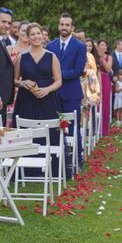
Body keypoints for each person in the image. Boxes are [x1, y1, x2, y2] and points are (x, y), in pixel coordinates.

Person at [47, 13, 86, 164]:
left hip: (71, 94)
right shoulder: (50, 46)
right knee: (54, 127)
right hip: (53, 93)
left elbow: (78, 71)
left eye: (67, 25)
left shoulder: (80, 46)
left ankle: (77, 160)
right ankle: (57, 161)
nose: (64, 27)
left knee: (73, 127)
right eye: (62, 24)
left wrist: (57, 75)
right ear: (58, 25)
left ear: (72, 27)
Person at [12, 23, 62, 122]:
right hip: (25, 100)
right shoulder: (21, 57)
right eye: (33, 34)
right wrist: (22, 83)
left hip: (48, 100)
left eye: (38, 33)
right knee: (25, 130)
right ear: (28, 37)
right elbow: (14, 80)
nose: (36, 37)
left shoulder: (52, 56)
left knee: (49, 130)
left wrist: (47, 90)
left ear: (43, 35)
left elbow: (59, 81)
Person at [6, 21, 30, 126]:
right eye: (23, 30)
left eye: (28, 31)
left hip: (27, 92)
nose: (25, 33)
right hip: (9, 92)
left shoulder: (34, 51)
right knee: (8, 124)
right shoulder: (9, 49)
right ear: (18, 32)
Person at [97, 39, 113, 136]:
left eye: (105, 45)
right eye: (102, 45)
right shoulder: (94, 56)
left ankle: (104, 129)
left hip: (105, 79)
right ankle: (95, 127)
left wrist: (102, 58)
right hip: (95, 79)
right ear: (98, 46)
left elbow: (108, 69)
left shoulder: (109, 57)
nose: (104, 47)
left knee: (105, 103)